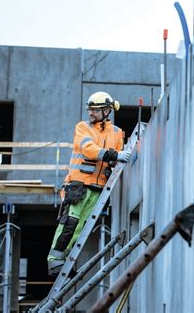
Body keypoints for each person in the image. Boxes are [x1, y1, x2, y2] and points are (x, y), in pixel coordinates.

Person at [47, 91, 131, 276]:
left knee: (82, 227)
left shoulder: (117, 133)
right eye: (90, 110)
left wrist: (117, 158)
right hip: (78, 184)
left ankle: (65, 262)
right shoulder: (83, 127)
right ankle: (54, 260)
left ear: (106, 111)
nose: (91, 113)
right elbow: (89, 150)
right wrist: (114, 155)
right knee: (70, 222)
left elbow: (117, 157)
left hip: (99, 187)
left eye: (95, 110)